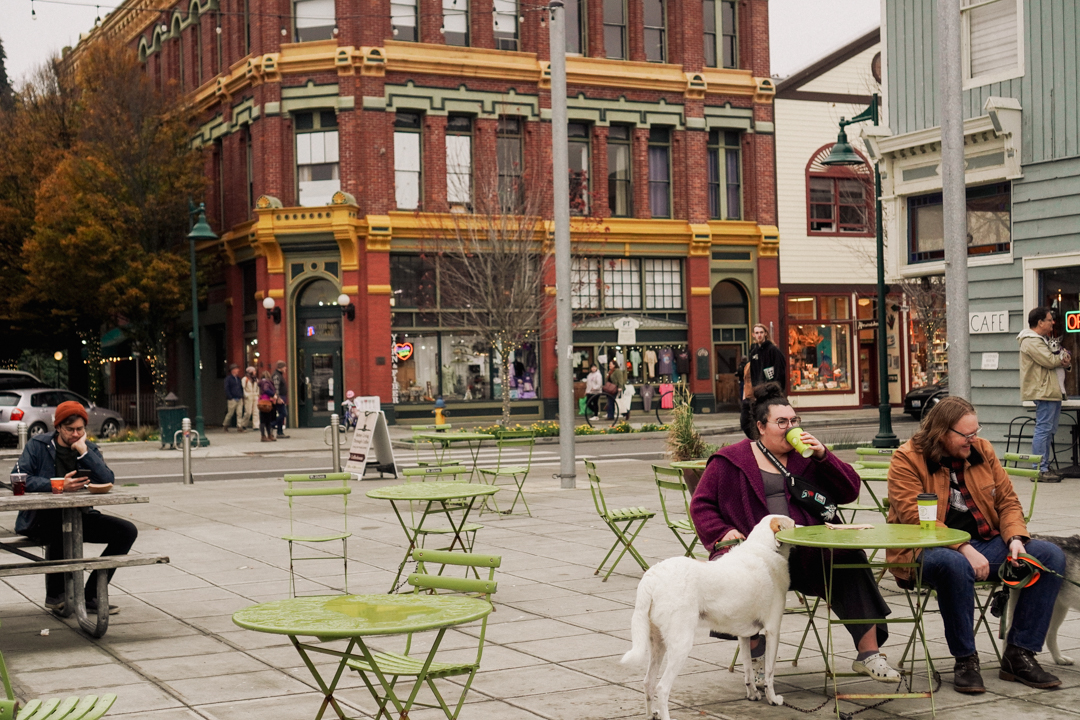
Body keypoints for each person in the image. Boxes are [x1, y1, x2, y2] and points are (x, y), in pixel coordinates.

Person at [691, 383, 899, 684]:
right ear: (761, 427)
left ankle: (869, 655)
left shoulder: (808, 458)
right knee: (741, 576)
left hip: (808, 552)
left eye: (794, 421)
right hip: (758, 554)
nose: (791, 428)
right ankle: (758, 659)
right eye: (782, 422)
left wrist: (824, 456)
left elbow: (849, 490)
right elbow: (701, 505)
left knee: (850, 559)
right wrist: (723, 532)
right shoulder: (730, 460)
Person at [886, 396, 1065, 693]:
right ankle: (965, 659)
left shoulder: (982, 451)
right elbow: (914, 518)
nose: (974, 439)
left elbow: (1007, 501)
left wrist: (1016, 539)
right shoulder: (907, 458)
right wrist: (963, 548)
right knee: (954, 565)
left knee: (1048, 555)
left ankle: (1019, 653)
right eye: (966, 435)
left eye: (975, 431)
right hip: (925, 548)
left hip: (985, 542)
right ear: (942, 432)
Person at [13, 401, 137, 615]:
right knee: (63, 524)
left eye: (80, 429)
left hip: (81, 515)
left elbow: (107, 478)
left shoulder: (87, 447)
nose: (75, 433)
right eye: (70, 429)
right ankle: (56, 594)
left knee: (126, 531)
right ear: (58, 427)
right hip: (41, 519)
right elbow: (19, 479)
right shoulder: (38, 445)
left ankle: (90, 595)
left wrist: (84, 451)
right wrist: (58, 484)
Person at [1017, 307, 1072, 482]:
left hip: (1052, 390)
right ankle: (1039, 469)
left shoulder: (1042, 339)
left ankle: (1044, 466)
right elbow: (1049, 360)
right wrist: (1062, 359)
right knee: (1044, 429)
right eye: (1049, 320)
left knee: (1049, 430)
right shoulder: (1031, 341)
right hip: (1044, 391)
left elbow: (1056, 356)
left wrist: (1065, 360)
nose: (1052, 322)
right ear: (1040, 322)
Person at [740, 324, 787, 439]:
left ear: (766, 333)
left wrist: (776, 391)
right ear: (753, 335)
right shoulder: (754, 353)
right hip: (759, 393)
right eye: (756, 333)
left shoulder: (773, 350)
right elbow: (753, 375)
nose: (759, 335)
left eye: (761, 332)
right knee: (752, 419)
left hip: (771, 393)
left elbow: (780, 372)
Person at [222, 364, 245, 432]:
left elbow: (241, 387)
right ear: (233, 370)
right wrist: (230, 397)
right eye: (236, 369)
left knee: (239, 413)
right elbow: (226, 388)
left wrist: (241, 395)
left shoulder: (238, 378)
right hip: (232, 398)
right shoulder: (228, 379)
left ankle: (239, 426)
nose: (238, 370)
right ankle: (225, 425)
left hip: (239, 397)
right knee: (230, 413)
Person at [257, 371, 279, 442]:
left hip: (261, 402)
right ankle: (267, 435)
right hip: (267, 403)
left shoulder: (260, 382)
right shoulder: (266, 382)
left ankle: (265, 435)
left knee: (263, 420)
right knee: (267, 420)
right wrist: (273, 395)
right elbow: (266, 390)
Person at [272, 360, 289, 438]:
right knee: (283, 413)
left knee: (281, 414)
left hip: (282, 396)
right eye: (284, 367)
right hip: (279, 397)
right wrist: (278, 398)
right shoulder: (276, 376)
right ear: (281, 367)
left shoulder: (280, 375)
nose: (286, 368)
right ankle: (272, 424)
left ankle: (280, 432)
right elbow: (276, 388)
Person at [241, 366, 260, 430]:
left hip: (255, 395)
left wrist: (257, 394)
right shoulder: (245, 379)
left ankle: (256, 425)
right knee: (248, 412)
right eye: (254, 371)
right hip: (248, 395)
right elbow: (243, 388)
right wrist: (246, 395)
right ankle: (244, 424)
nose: (255, 372)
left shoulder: (256, 379)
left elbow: (258, 387)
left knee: (256, 411)